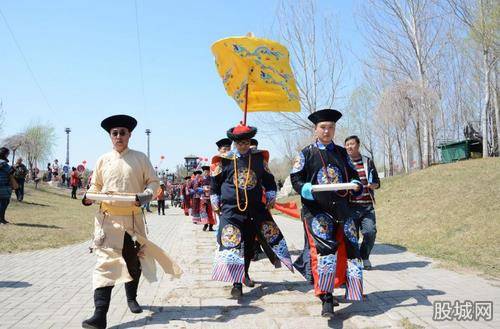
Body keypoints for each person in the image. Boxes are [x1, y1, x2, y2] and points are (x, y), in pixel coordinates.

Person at [81, 114, 181, 329]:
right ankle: (99, 315)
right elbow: (95, 186)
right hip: (108, 220)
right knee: (105, 265)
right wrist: (89, 196)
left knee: (133, 261)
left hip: (133, 220)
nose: (118, 136)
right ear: (110, 136)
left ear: (129, 135)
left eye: (122, 133)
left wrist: (146, 194)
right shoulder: (102, 159)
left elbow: (154, 182)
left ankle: (131, 298)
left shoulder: (140, 158)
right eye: (114, 133)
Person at [290, 109, 364, 317]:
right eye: (323, 127)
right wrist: (304, 188)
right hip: (317, 212)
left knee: (350, 249)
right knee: (324, 252)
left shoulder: (342, 153)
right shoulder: (306, 154)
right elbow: (296, 178)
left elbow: (353, 175)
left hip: (342, 209)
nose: (327, 131)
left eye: (331, 127)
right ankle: (326, 297)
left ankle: (353, 289)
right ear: (315, 129)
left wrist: (356, 184)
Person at [210, 123, 292, 298]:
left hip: (253, 210)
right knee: (233, 243)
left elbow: (269, 181)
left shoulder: (258, 159)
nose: (243, 146)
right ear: (234, 143)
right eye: (240, 143)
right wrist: (215, 202)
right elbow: (215, 185)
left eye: (246, 142)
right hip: (231, 211)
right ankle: (236, 283)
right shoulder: (224, 160)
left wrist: (271, 197)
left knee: (247, 245)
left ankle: (244, 272)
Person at [345, 135, 380, 270]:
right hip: (350, 206)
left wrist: (373, 185)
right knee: (352, 236)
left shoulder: (367, 161)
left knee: (370, 232)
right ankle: (355, 260)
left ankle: (364, 256)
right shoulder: (344, 162)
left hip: (367, 206)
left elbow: (377, 181)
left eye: (352, 144)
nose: (349, 147)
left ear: (358, 145)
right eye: (347, 144)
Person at [199, 165, 216, 231]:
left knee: (210, 211)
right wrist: (200, 189)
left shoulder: (212, 179)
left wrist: (210, 189)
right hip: (203, 197)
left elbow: (215, 186)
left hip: (210, 197)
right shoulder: (201, 179)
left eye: (207, 172)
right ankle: (205, 224)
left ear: (209, 172)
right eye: (205, 172)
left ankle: (211, 226)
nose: (206, 173)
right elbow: (195, 187)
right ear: (203, 172)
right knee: (203, 211)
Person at [0, 147, 13, 224]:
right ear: (5, 154)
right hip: (3, 185)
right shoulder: (4, 164)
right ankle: (1, 219)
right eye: (8, 154)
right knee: (4, 202)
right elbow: (9, 172)